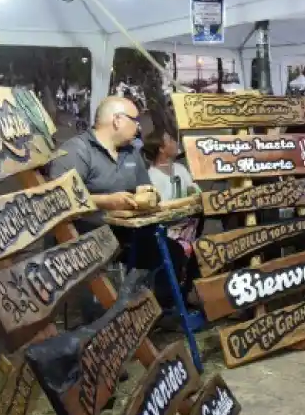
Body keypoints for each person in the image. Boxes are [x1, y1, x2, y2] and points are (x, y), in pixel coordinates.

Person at [49, 96, 196, 310]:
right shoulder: (77, 150)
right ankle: (103, 322)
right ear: (117, 120)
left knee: (174, 251)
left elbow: (146, 188)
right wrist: (107, 201)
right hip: (85, 236)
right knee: (98, 289)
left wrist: (148, 196)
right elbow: (58, 199)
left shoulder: (130, 153)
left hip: (128, 233)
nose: (138, 127)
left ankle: (159, 311)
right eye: (134, 120)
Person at [141, 127, 200, 201]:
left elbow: (196, 191)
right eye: (170, 140)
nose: (175, 142)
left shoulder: (180, 168)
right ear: (161, 149)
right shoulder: (151, 177)